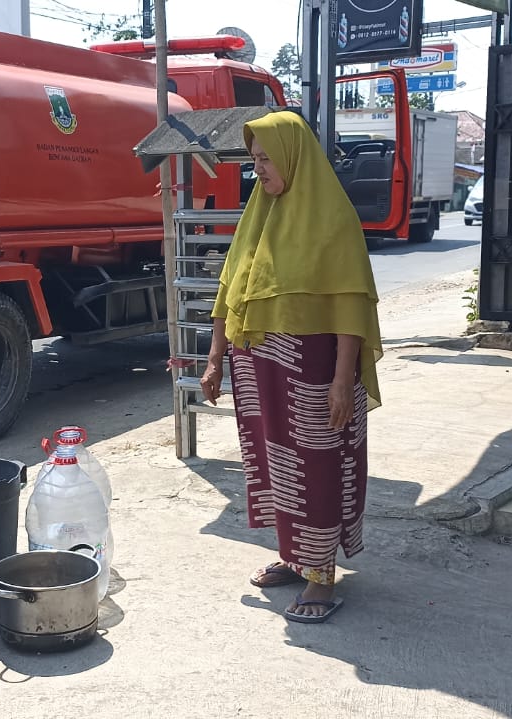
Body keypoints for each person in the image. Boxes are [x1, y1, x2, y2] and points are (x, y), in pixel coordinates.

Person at [200, 111, 384, 624]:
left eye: (265, 159)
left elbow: (351, 306)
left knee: (318, 462)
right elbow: (228, 291)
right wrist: (215, 359)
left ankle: (321, 572)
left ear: (293, 156)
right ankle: (292, 553)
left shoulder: (333, 219)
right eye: (254, 159)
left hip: (313, 370)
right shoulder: (257, 214)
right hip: (258, 365)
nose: (258, 169)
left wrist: (344, 380)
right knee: (276, 461)